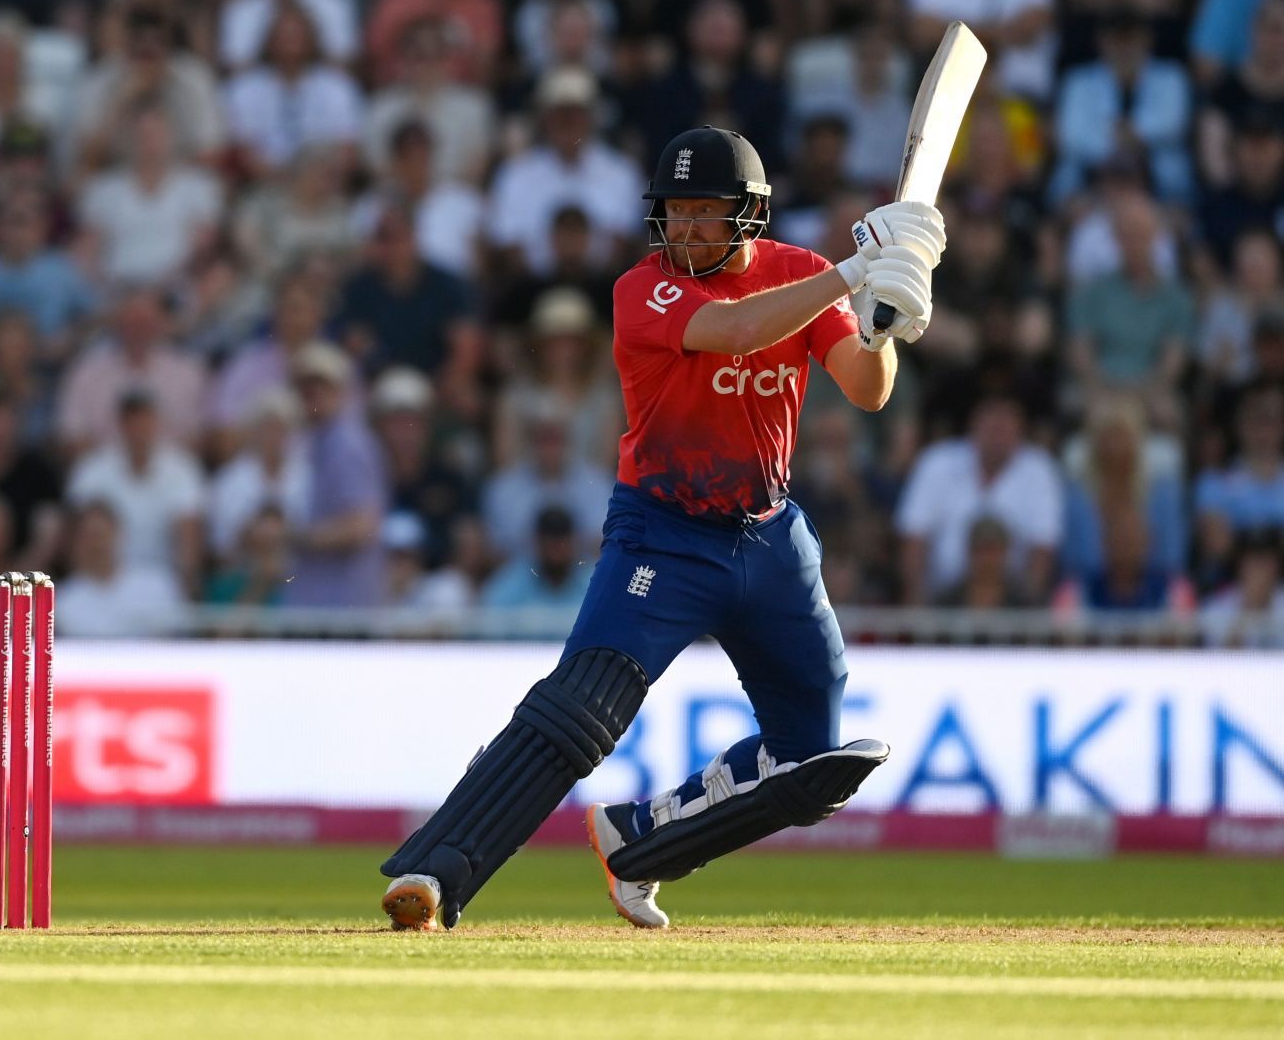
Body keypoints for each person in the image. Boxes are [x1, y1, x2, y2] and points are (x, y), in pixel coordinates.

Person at [379, 125, 943, 931]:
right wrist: (856, 272)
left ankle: (641, 839)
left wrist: (883, 321)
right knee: (579, 715)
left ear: (748, 216)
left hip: (771, 539)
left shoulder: (804, 275)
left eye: (704, 214)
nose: (684, 232)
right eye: (674, 213)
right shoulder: (644, 290)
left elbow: (867, 389)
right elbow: (741, 330)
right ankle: (433, 876)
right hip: (662, 536)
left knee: (809, 764)